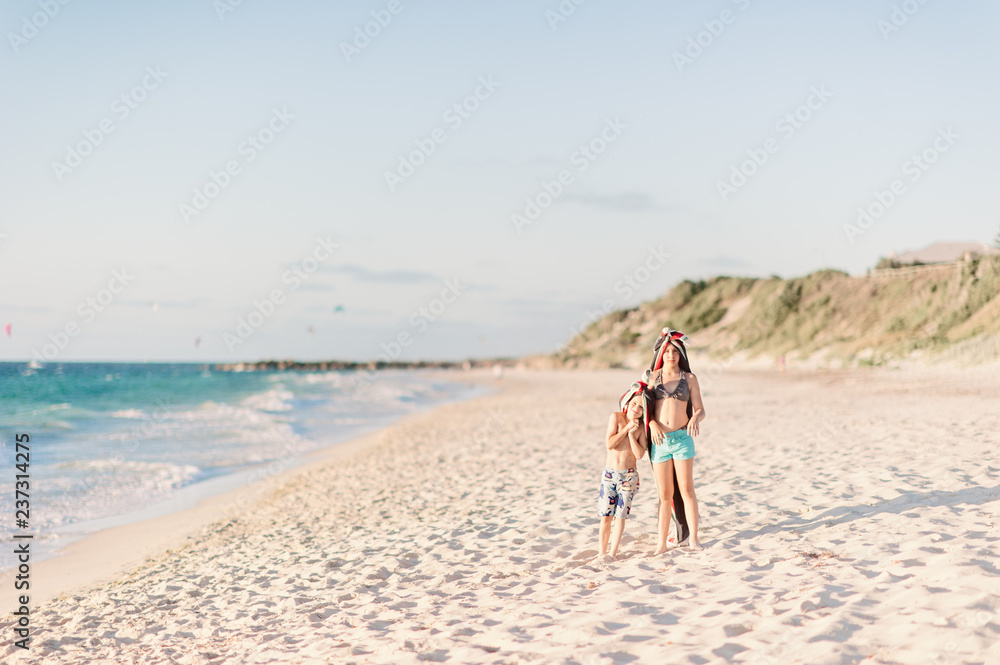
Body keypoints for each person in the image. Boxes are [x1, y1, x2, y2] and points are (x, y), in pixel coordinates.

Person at [645, 328, 706, 552]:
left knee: (687, 489)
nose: (671, 355)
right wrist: (651, 423)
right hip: (659, 441)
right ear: (661, 352)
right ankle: (661, 543)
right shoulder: (653, 377)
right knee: (664, 495)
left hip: (682, 439)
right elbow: (643, 408)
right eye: (667, 351)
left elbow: (700, 409)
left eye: (675, 351)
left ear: (681, 354)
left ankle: (694, 539)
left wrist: (695, 418)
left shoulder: (689, 378)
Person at [598, 384, 648, 560]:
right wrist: (626, 429)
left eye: (641, 407)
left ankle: (612, 553)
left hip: (629, 476)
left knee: (620, 517)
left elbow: (640, 454)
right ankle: (602, 552)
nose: (636, 409)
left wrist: (632, 435)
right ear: (627, 402)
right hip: (610, 475)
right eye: (634, 404)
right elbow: (610, 444)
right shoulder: (616, 418)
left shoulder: (641, 428)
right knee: (606, 516)